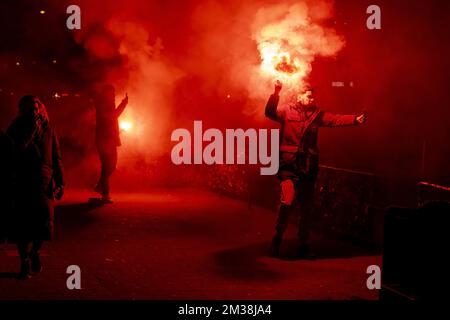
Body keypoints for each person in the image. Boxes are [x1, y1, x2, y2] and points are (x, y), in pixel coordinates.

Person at [265, 81, 367, 259]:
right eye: (308, 95)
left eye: (313, 96)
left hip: (308, 168)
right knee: (286, 203)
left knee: (306, 209)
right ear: (299, 96)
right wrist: (276, 92)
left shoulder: (317, 114)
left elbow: (335, 119)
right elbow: (269, 112)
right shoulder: (286, 110)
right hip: (288, 167)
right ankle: (276, 240)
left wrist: (355, 120)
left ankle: (303, 246)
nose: (312, 98)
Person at [6, 95, 64, 279]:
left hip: (44, 182)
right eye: (31, 108)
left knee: (44, 223)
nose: (35, 111)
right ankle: (24, 262)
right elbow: (14, 151)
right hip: (23, 181)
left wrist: (61, 181)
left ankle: (34, 252)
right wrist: (31, 131)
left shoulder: (49, 129)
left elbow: (56, 156)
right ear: (23, 110)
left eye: (37, 108)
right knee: (24, 225)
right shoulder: (16, 128)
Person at [93, 85, 128, 203]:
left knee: (109, 166)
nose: (113, 95)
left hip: (108, 139)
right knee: (109, 166)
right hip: (105, 140)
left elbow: (111, 120)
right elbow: (113, 116)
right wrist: (124, 104)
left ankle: (102, 190)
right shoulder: (103, 105)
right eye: (112, 93)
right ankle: (104, 192)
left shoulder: (106, 104)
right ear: (106, 94)